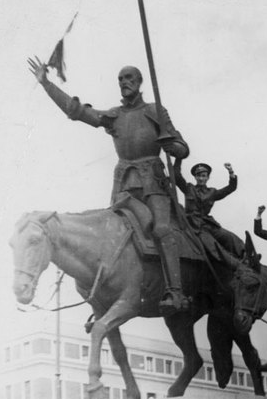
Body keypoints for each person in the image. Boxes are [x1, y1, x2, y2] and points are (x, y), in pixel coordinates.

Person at [27, 58, 189, 315]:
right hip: (124, 185)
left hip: (153, 183)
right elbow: (77, 111)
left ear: (139, 82)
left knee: (161, 229)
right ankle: (105, 299)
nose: (124, 83)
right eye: (121, 79)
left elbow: (183, 148)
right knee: (109, 235)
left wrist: (173, 146)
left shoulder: (155, 110)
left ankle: (176, 292)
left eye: (129, 78)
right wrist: (46, 84)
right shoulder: (115, 116)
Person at [173, 158, 245, 257]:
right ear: (195, 177)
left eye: (203, 176)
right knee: (213, 246)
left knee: (230, 237)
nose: (201, 178)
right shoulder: (188, 188)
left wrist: (231, 171)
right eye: (198, 176)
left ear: (208, 177)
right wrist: (178, 159)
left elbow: (231, 187)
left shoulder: (212, 192)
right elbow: (176, 176)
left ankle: (247, 259)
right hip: (193, 225)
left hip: (208, 224)